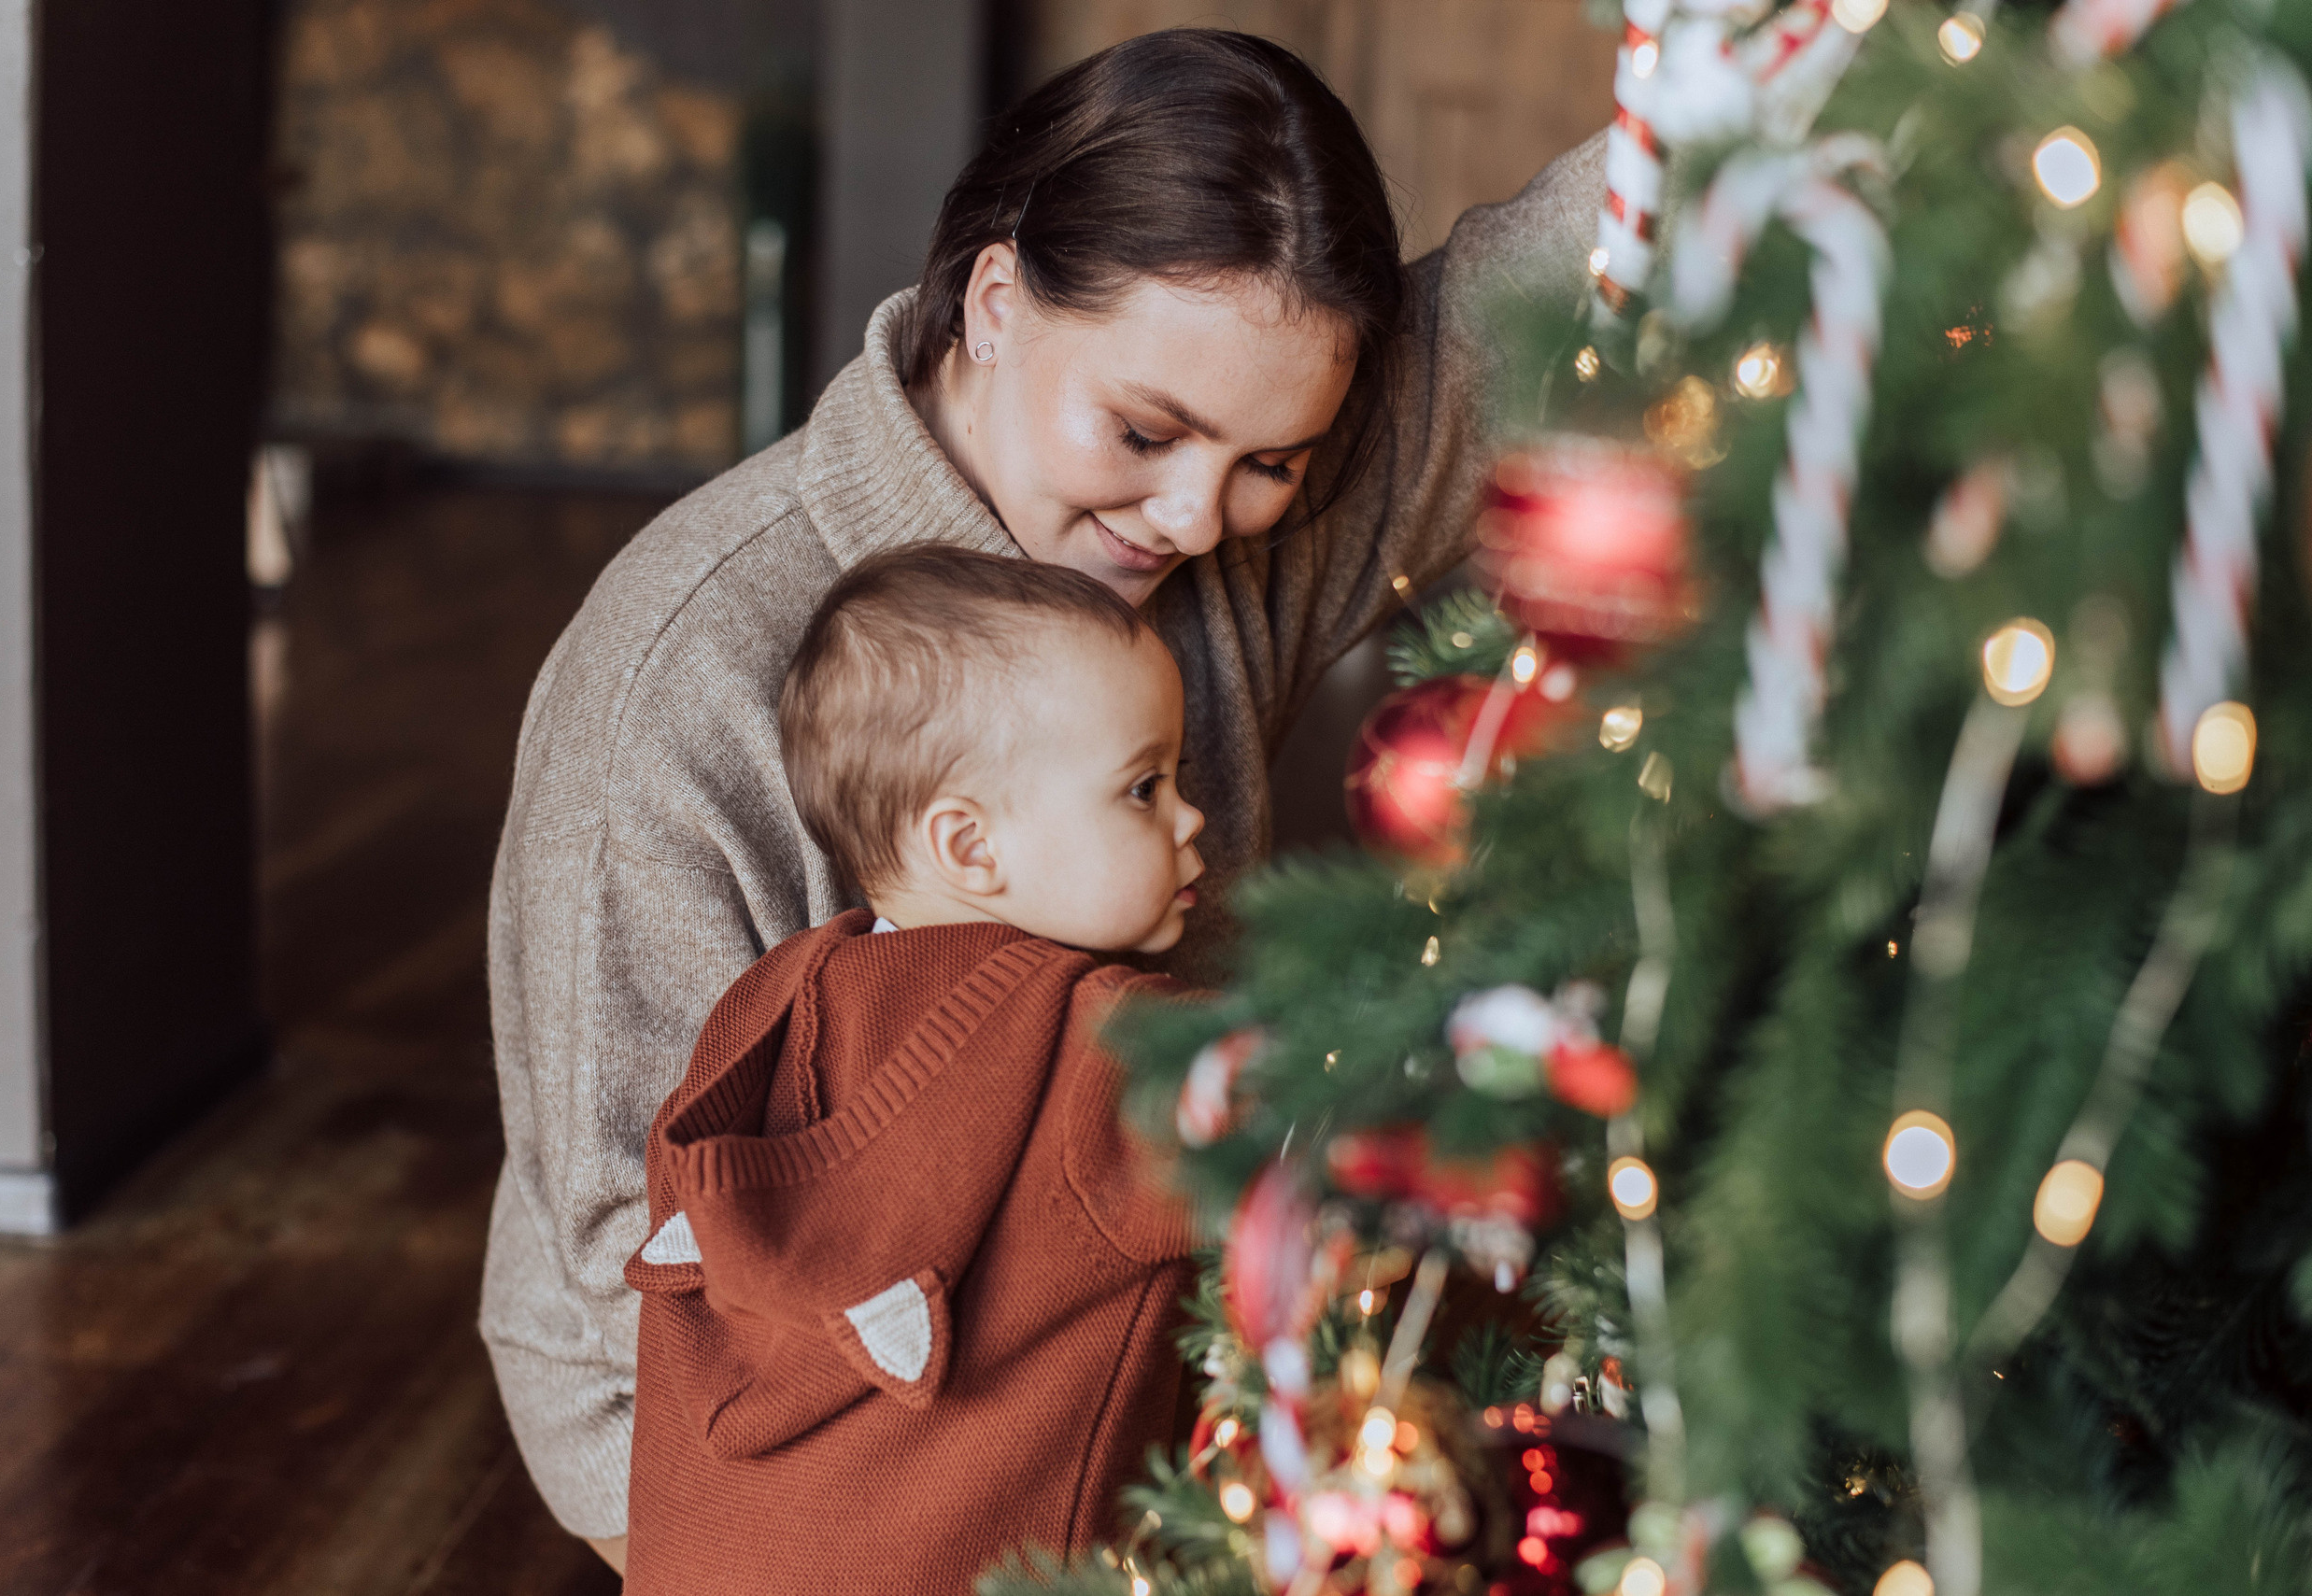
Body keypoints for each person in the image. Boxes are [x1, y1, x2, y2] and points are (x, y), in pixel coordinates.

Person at [484, 27, 1602, 1573]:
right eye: (1144, 431)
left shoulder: (1201, 540)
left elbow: (1534, 308)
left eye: (1274, 458)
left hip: (1140, 1351)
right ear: (996, 303)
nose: (1198, 515)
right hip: (748, 1429)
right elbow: (634, 1242)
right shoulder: (687, 665)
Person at [623, 545, 1205, 1594]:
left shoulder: (766, 1009)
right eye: (1144, 785)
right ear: (970, 847)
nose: (1190, 817)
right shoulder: (1107, 1052)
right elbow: (1338, 1110)